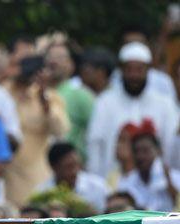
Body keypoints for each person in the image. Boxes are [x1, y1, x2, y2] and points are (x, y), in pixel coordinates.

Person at [87, 42, 180, 178]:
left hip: (157, 184)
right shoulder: (105, 102)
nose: (134, 75)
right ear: (122, 71)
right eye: (129, 69)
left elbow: (172, 145)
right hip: (114, 181)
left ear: (148, 70)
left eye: (139, 70)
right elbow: (95, 145)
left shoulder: (165, 104)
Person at [4, 55, 70, 207]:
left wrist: (44, 101)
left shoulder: (50, 96)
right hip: (7, 172)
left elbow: (61, 131)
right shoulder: (4, 92)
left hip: (36, 172)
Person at [45, 42, 95, 161]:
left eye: (60, 58)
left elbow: (94, 133)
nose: (53, 62)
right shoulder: (34, 93)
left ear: (71, 65)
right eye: (50, 57)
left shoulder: (81, 95)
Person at [35, 142, 109, 213]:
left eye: (77, 164)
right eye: (69, 167)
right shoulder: (43, 193)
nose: (75, 171)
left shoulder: (98, 187)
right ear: (54, 168)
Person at [118, 132, 180, 212]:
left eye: (145, 150)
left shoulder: (175, 178)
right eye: (136, 151)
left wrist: (169, 183)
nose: (140, 156)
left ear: (159, 151)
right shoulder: (126, 183)